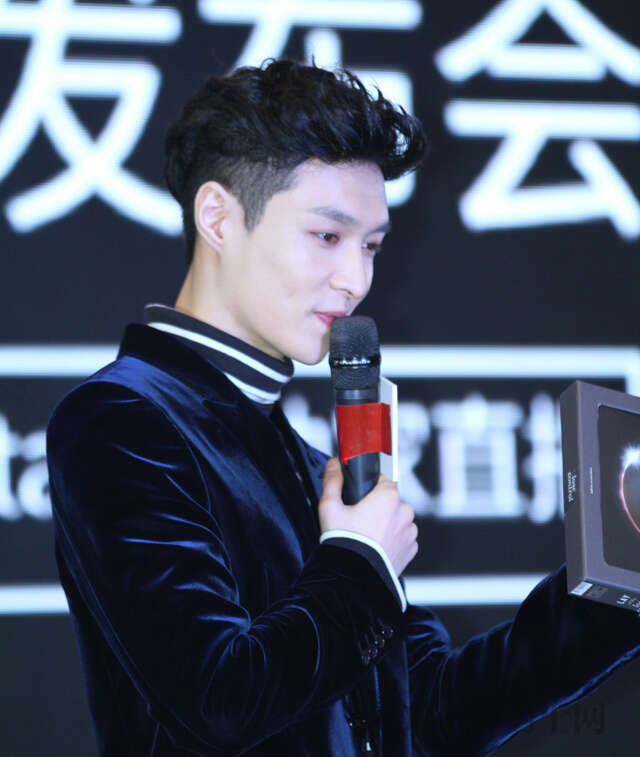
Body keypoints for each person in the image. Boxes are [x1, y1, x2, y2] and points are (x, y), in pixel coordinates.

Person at [46, 59, 640, 757]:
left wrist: (620, 573)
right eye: (327, 237)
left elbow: (430, 711)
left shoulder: (307, 463)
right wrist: (360, 561)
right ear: (218, 217)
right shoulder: (120, 420)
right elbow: (218, 699)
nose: (355, 279)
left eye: (371, 246)